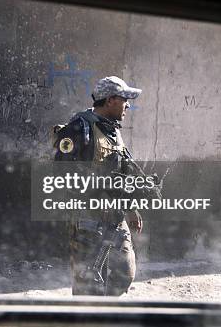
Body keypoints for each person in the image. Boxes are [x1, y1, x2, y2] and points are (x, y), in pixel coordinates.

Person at [53, 76, 159, 296]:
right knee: (88, 285)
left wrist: (130, 207)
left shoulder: (112, 131)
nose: (128, 105)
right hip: (88, 218)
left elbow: (121, 171)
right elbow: (63, 174)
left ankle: (104, 312)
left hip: (114, 216)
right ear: (110, 100)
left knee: (124, 273)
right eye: (124, 99)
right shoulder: (80, 129)